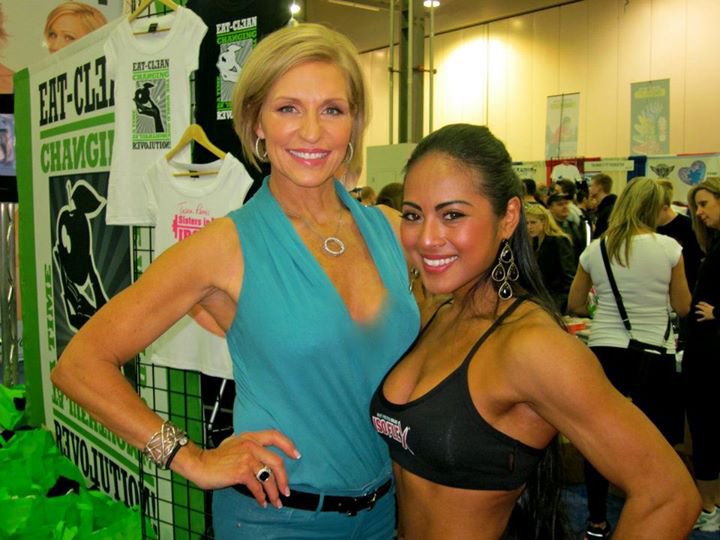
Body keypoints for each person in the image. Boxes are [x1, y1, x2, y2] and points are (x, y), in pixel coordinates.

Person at [52, 23, 420, 539]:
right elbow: (79, 365)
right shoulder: (223, 247)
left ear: (354, 123)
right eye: (287, 108)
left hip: (384, 512)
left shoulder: (390, 229)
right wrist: (190, 458)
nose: (311, 131)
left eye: (332, 110)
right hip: (278, 519)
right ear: (255, 122)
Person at [370, 124, 700, 540]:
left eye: (452, 215)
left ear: (508, 217)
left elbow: (669, 496)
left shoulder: (532, 345)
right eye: (413, 215)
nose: (426, 238)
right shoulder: (435, 311)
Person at [567, 176, 693, 538]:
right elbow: (683, 306)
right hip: (655, 352)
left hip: (605, 349)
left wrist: (605, 310)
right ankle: (651, 515)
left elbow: (575, 303)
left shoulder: (597, 249)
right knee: (657, 440)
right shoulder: (669, 248)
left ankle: (596, 520)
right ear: (656, 208)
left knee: (599, 438)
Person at [685, 177, 720, 532]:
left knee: (706, 429)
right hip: (705, 351)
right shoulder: (714, 243)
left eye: (705, 204)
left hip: (711, 356)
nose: (699, 212)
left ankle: (709, 506)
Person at [525, 202, 575, 313]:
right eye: (526, 223)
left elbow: (568, 275)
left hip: (556, 299)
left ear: (544, 222)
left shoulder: (558, 241)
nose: (529, 227)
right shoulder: (534, 243)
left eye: (533, 222)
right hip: (541, 298)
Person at [546, 192, 587, 266]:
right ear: (551, 208)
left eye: (566, 203)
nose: (565, 207)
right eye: (560, 204)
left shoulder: (573, 226)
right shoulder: (548, 229)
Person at [588, 173, 616, 238]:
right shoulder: (605, 208)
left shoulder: (607, 211)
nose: (589, 189)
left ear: (599, 188)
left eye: (591, 186)